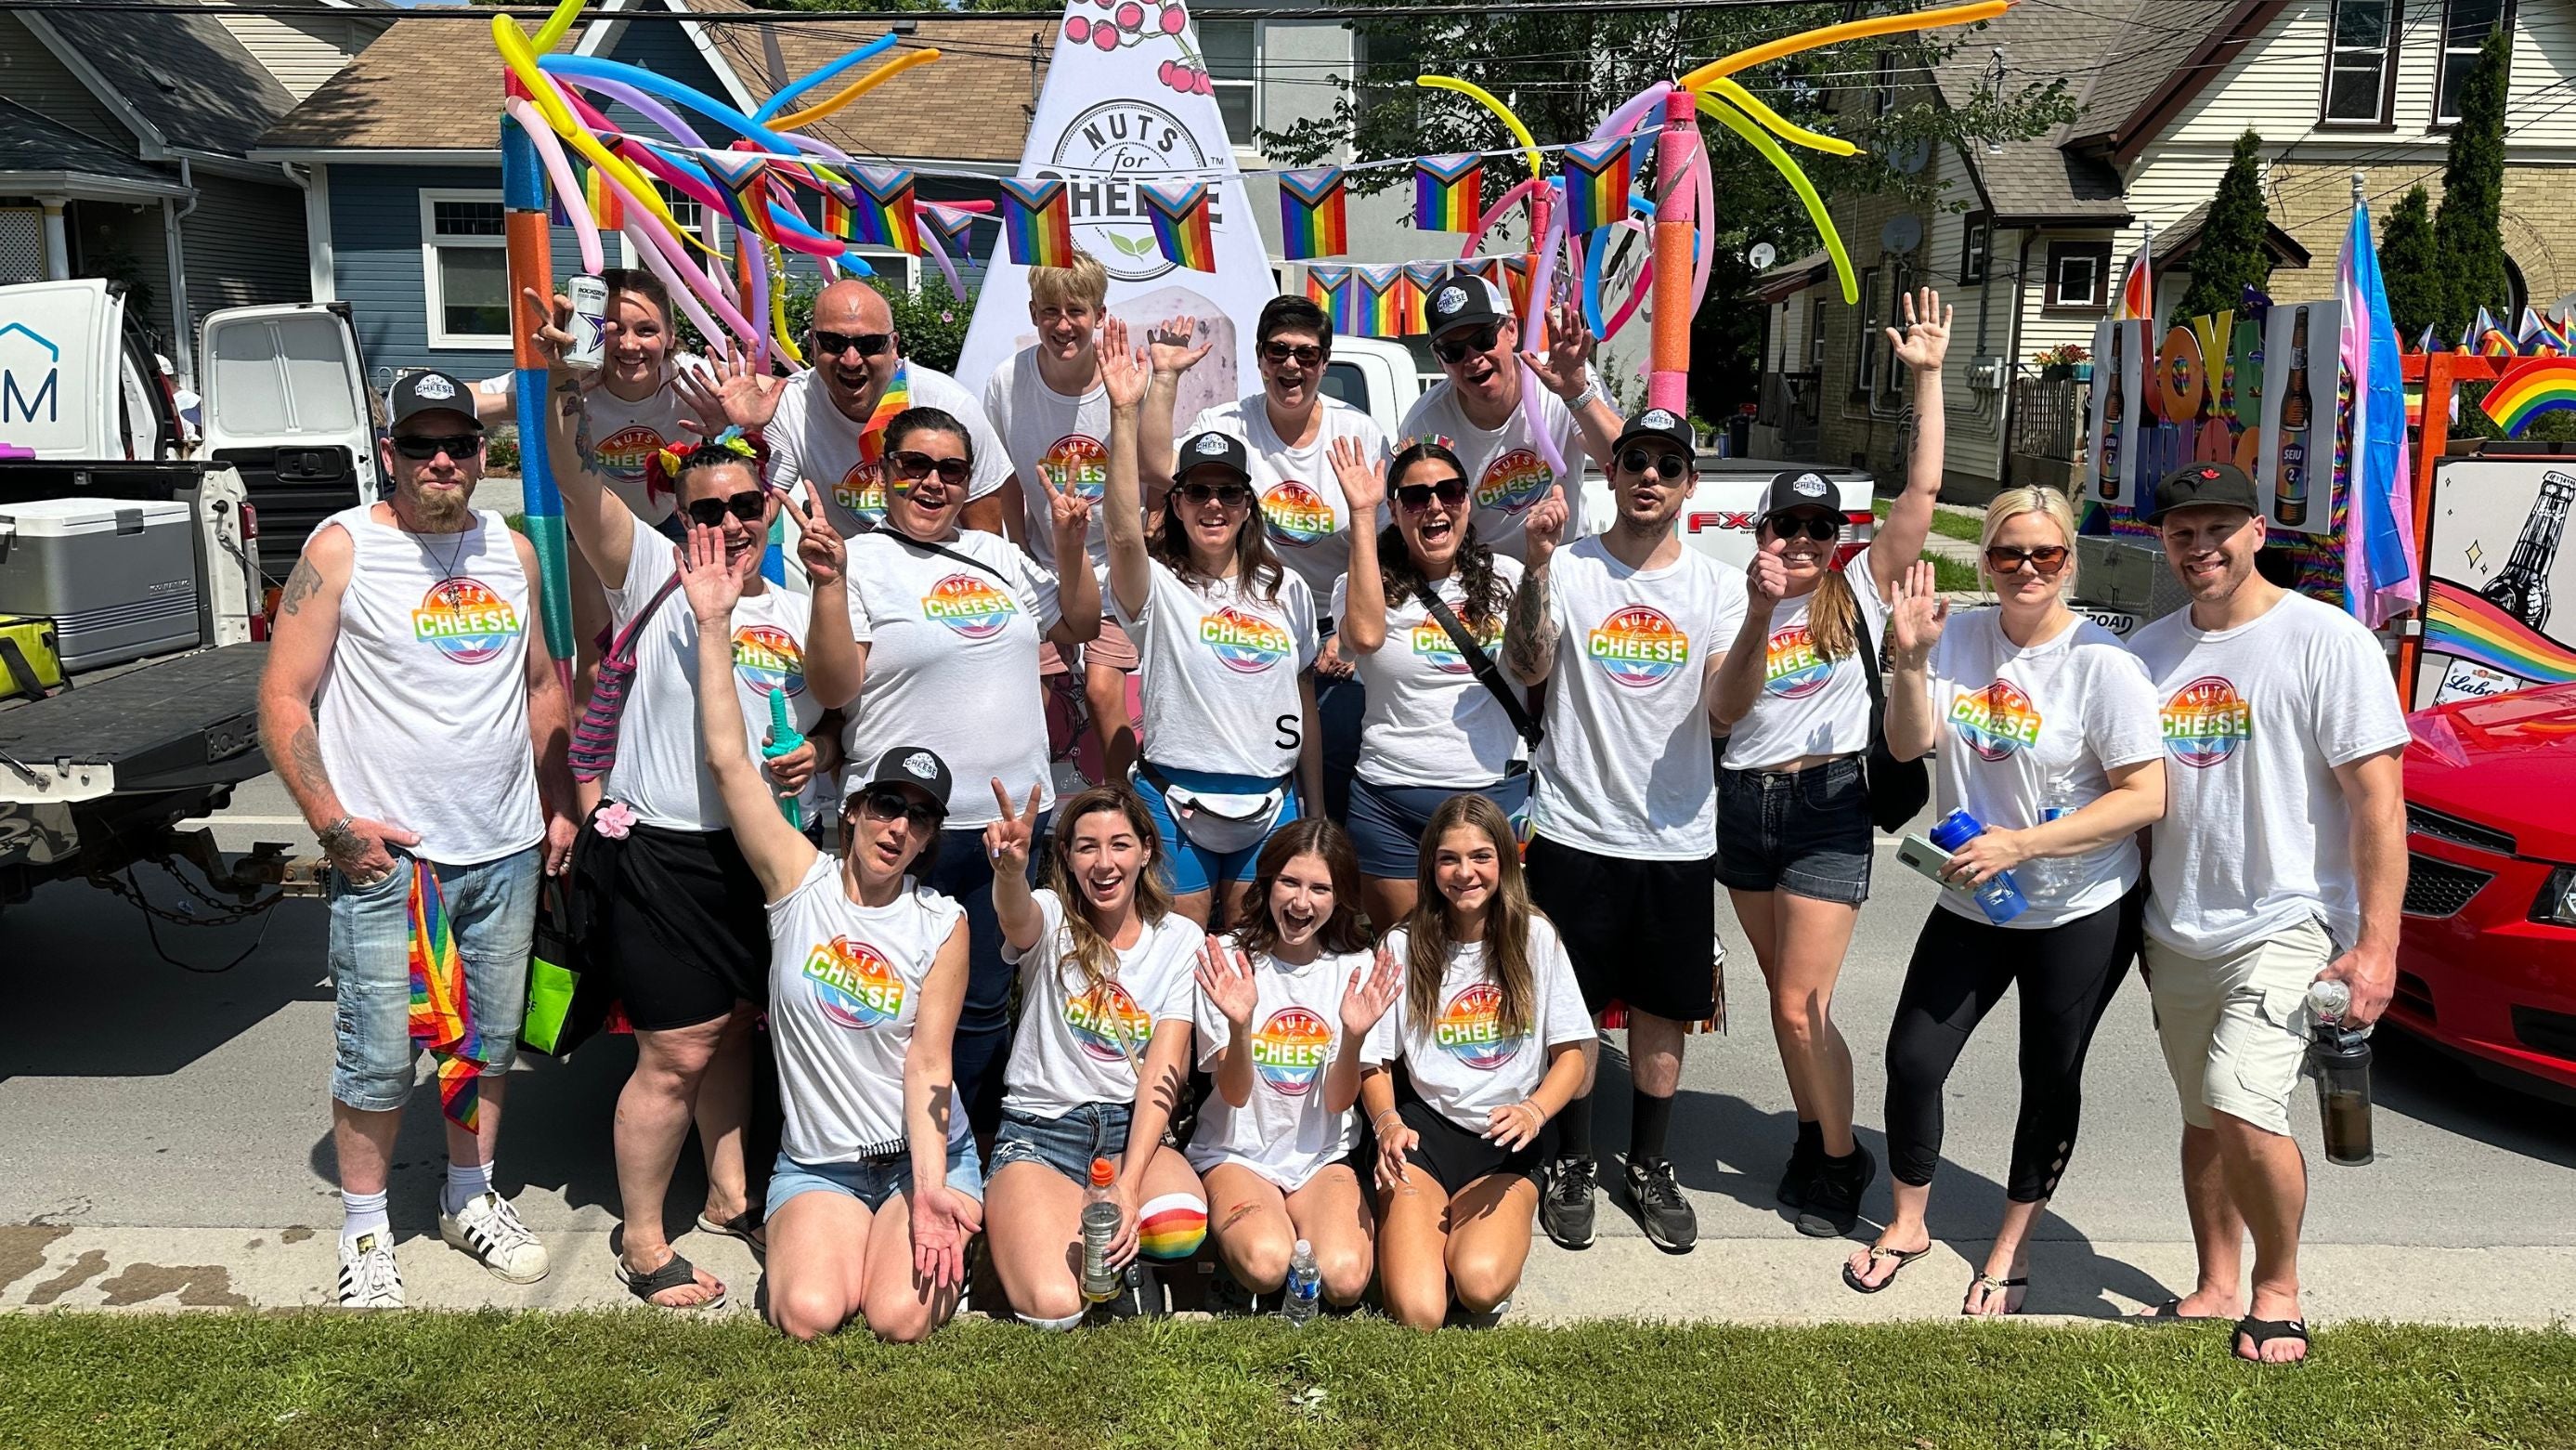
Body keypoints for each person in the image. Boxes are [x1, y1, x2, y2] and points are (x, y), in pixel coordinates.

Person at [255, 370, 579, 1308]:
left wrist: (556, 799)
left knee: (480, 1045)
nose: (443, 460)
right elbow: (284, 699)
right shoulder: (343, 546)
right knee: (378, 1055)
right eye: (422, 444)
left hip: (506, 848)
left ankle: (469, 1197)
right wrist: (335, 826)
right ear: (389, 451)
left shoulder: (510, 548)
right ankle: (364, 1231)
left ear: (483, 456)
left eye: (461, 445)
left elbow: (542, 684)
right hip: (393, 863)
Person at [547, 394, 852, 1310]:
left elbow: (838, 708)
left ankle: (728, 1196)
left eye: (741, 506)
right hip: (662, 857)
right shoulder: (651, 574)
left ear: (769, 507)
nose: (724, 523)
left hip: (767, 860)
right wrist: (567, 392)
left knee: (730, 1034)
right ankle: (642, 1241)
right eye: (703, 509)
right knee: (674, 1053)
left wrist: (824, 749)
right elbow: (573, 480)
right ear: (679, 518)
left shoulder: (798, 605)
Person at [1849, 490, 2166, 1313]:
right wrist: (1911, 659)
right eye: (2008, 554)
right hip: (1975, 900)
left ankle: (2009, 1246)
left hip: (2080, 906)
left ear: (2070, 561)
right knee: (1914, 1058)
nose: (2027, 569)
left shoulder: (2103, 664)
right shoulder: (1957, 634)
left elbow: (2144, 797)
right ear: (1986, 558)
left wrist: (2019, 843)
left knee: (2048, 1075)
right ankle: (1910, 1221)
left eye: (2046, 555)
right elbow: (1909, 744)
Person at [2127, 461, 2407, 1365]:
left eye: (2217, 526)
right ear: (2161, 541)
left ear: (2256, 530)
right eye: (2180, 530)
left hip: (2288, 922)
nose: (2198, 544)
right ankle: (2213, 1282)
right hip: (2175, 927)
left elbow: (2377, 804)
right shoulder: (2147, 653)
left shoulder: (2325, 640)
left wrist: (2376, 945)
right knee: (2201, 1117)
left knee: (2239, 1102)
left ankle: (2276, 1289)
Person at [674, 524, 979, 1342]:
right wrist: (712, 626)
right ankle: (836, 1232)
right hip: (820, 1163)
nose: (897, 826)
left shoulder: (939, 923)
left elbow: (930, 1063)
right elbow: (731, 763)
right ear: (852, 809)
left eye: (918, 819)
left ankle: (944, 1219)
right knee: (808, 1313)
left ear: (926, 839)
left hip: (918, 1152)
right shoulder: (796, 880)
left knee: (898, 1319)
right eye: (885, 804)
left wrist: (930, 1194)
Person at [1710, 286, 1952, 1239]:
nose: (1801, 542)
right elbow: (1723, 714)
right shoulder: (1739, 601)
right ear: (1762, 533)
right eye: (1786, 528)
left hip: (1827, 800)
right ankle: (1816, 1131)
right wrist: (1758, 612)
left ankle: (1843, 1159)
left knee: (1800, 1001)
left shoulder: (1855, 584)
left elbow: (1923, 497)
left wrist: (1926, 379)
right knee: (1783, 1005)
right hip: (1744, 807)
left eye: (1817, 529)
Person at [1505, 405, 1745, 1256]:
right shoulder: (1568, 567)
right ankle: (1571, 1160)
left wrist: (1758, 619)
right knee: (1569, 1004)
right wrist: (1534, 567)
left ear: (1690, 484)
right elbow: (1530, 666)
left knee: (1661, 1009)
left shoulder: (1719, 587)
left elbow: (1726, 711)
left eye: (1668, 465)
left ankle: (1647, 1162)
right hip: (1574, 823)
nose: (1649, 475)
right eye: (1635, 459)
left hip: (1677, 836)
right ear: (1612, 473)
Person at [839, 406, 1101, 1139]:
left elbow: (1078, 623)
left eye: (950, 470)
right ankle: (883, 1145)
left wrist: (1073, 545)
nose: (931, 482)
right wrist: (828, 587)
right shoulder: (856, 559)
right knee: (883, 997)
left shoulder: (999, 554)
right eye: (913, 465)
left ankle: (966, 1148)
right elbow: (834, 687)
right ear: (882, 473)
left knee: (986, 999)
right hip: (903, 825)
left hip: (1008, 825)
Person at [1101, 319, 1322, 928]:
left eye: (1229, 491)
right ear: (1177, 503)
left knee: (1250, 965)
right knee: (1180, 963)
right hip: (1173, 800)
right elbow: (1121, 532)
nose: (1214, 505)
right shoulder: (1157, 587)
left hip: (1271, 802)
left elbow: (1303, 697)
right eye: (1198, 491)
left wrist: (1316, 808)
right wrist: (1124, 414)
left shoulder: (1289, 589)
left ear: (1248, 504)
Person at [1147, 296, 1394, 821]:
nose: (1291, 366)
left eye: (1307, 354)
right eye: (1278, 351)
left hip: (1336, 630)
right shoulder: (1226, 423)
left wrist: (1348, 638)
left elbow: (1386, 546)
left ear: (1325, 363)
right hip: (1247, 620)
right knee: (1256, 770)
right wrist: (1164, 378)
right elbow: (1157, 468)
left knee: (1336, 773)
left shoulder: (1359, 434)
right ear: (1260, 358)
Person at [1360, 793, 1594, 1330]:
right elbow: (1374, 1061)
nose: (1465, 872)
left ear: (1506, 862)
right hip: (1425, 1135)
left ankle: (1476, 1246)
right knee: (1419, 1312)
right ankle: (1418, 1245)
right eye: (1449, 859)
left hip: (1506, 1142)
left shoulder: (1536, 936)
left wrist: (1535, 1111)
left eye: (1481, 857)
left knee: (1480, 1284)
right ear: (1430, 867)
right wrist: (1387, 1122)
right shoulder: (1403, 942)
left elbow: (1572, 1058)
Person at [982, 784, 1212, 1328]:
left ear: (1146, 851)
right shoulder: (1052, 915)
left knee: (1180, 1222)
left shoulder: (1179, 939)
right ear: (1065, 856)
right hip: (1042, 1130)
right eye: (1086, 847)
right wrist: (1010, 873)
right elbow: (1016, 919)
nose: (1104, 863)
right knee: (1054, 1306)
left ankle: (1123, 1258)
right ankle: (1039, 1240)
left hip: (1130, 1131)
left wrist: (1127, 1187)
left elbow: (1164, 1069)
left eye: (1120, 845)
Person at [1190, 820, 1401, 1314]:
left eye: (1320, 888)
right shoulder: (1226, 957)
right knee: (1266, 1261)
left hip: (1320, 1157)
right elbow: (1235, 1093)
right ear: (1266, 884)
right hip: (1236, 1151)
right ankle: (1244, 1262)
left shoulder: (1358, 966)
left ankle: (1294, 1237)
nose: (1301, 903)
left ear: (1340, 897)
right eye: (1290, 882)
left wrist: (1352, 1035)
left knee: (1346, 1279)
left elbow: (1337, 1100)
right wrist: (1239, 1025)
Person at [1333, 436, 1532, 928]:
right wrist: (1363, 513)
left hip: (1488, 800)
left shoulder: (1509, 576)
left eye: (1450, 491)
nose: (1435, 507)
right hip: (1389, 804)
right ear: (1396, 512)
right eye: (1417, 498)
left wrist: (1544, 560)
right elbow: (1363, 636)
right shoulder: (1361, 580)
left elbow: (1537, 670)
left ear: (1466, 501)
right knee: (1403, 962)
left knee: (1487, 963)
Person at [981, 252, 1154, 786]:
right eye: (1050, 311)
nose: (1062, 324)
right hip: (1043, 569)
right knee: (1028, 688)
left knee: (1104, 690)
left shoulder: (1123, 381)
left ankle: (1128, 805)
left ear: (1099, 314)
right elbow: (1004, 483)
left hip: (1114, 572)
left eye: (1075, 311)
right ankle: (1028, 809)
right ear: (1033, 314)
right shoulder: (1008, 382)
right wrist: (1015, 560)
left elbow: (1155, 475)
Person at [494, 272, 696, 716]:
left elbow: (766, 397)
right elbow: (476, 400)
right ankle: (594, 771)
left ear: (671, 336)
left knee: (678, 646)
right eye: (611, 330)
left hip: (667, 523)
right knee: (597, 661)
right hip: (592, 526)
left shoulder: (690, 381)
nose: (628, 345)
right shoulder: (572, 374)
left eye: (646, 331)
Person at [698, 278, 1010, 538]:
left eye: (869, 344)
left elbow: (985, 534)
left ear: (893, 345)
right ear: (813, 345)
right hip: (850, 575)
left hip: (939, 572)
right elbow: (758, 515)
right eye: (834, 343)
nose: (850, 360)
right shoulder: (794, 404)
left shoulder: (949, 405)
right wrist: (740, 435)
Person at [1397, 277, 1621, 563]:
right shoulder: (1425, 423)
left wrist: (1577, 394)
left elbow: (1621, 463)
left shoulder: (1562, 375)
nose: (1473, 358)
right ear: (1439, 360)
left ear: (1511, 330)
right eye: (1452, 351)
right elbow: (1413, 521)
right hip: (1482, 577)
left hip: (1565, 563)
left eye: (1483, 339)